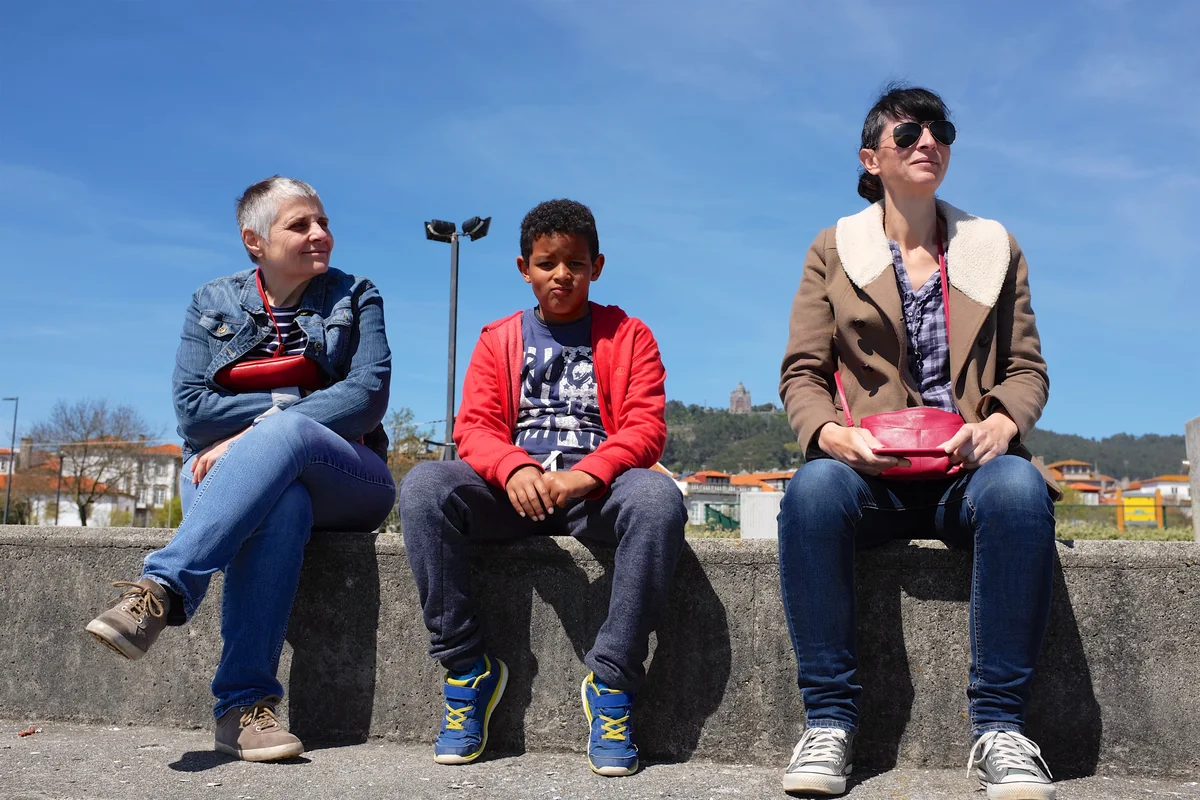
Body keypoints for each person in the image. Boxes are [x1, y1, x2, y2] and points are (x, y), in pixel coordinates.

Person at [776, 85, 1061, 799]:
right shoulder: (833, 248)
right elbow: (802, 373)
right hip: (871, 471)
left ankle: (1001, 730)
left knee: (1020, 489)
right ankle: (829, 722)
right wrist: (831, 434)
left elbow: (1026, 369)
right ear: (871, 159)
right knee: (811, 489)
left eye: (941, 130)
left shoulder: (993, 246)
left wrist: (1001, 425)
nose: (928, 141)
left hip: (967, 470)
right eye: (908, 133)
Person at [85, 176, 395, 762]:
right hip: (221, 473)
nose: (320, 234)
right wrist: (285, 409)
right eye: (300, 225)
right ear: (255, 241)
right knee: (283, 503)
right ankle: (244, 710)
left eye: (324, 222)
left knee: (291, 435)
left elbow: (366, 397)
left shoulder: (355, 295)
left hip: (349, 477)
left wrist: (262, 427)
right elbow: (193, 411)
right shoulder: (212, 302)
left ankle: (163, 587)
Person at [399, 198, 686, 776]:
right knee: (425, 486)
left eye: (575, 263)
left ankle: (612, 683)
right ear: (523, 268)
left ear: (596, 266)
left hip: (594, 493)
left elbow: (645, 428)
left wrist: (588, 474)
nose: (562, 275)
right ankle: (467, 670)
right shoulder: (498, 338)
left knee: (659, 499)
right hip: (513, 492)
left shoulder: (630, 336)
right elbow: (474, 427)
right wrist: (514, 469)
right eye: (547, 263)